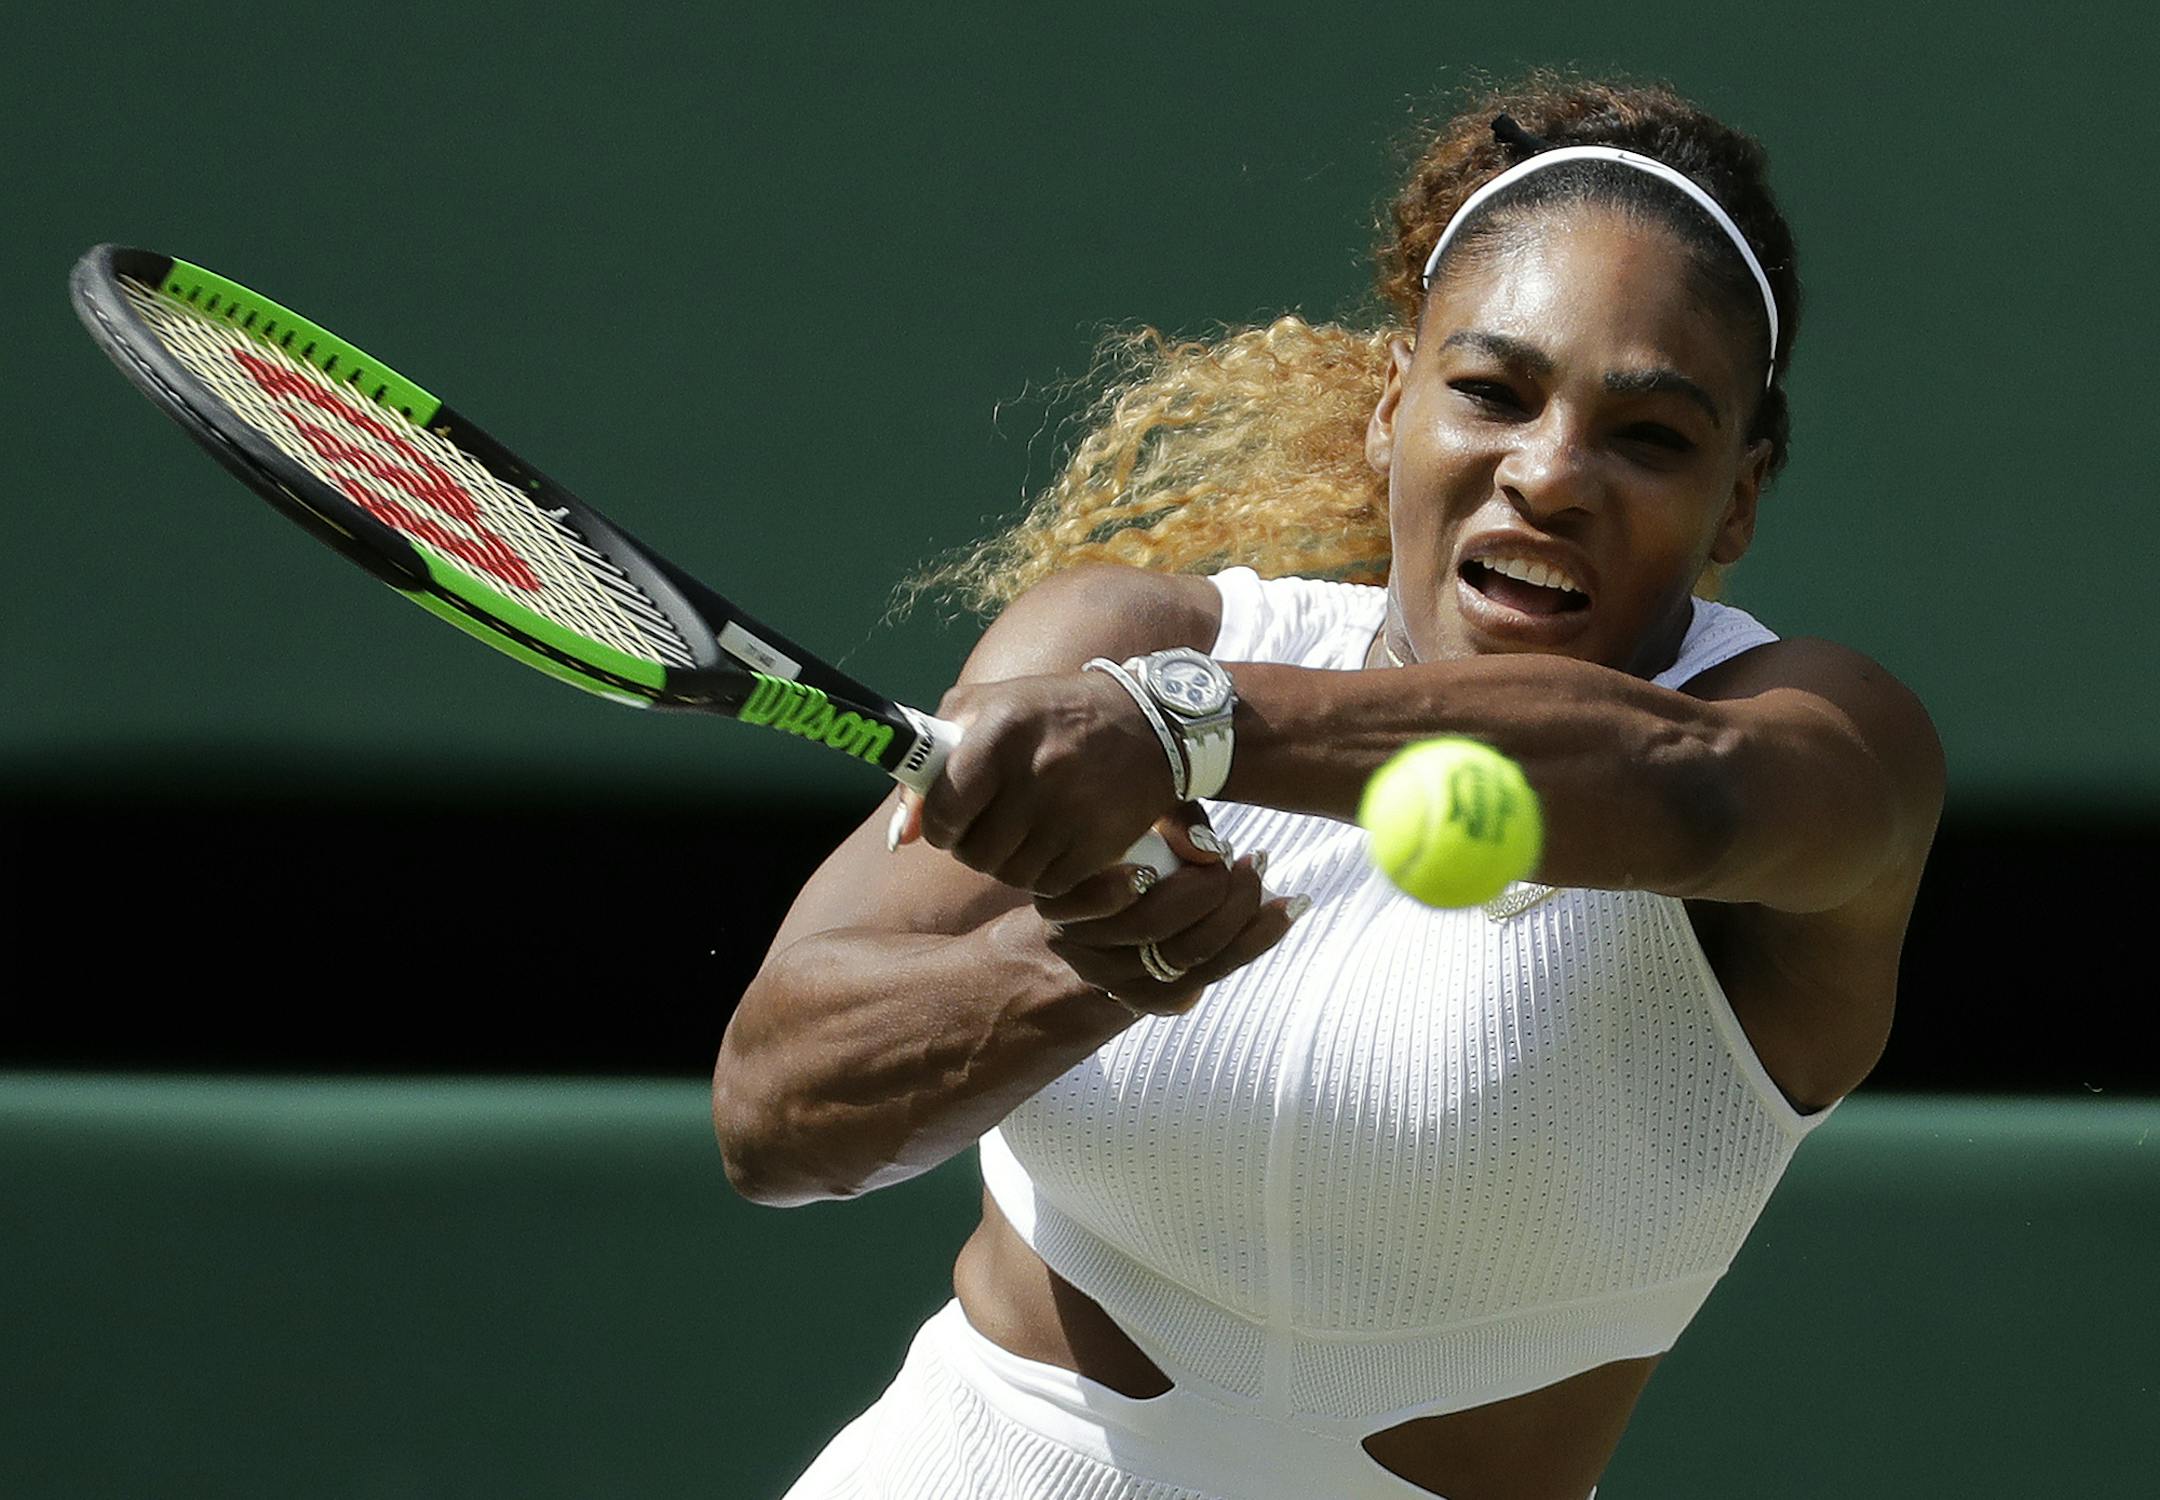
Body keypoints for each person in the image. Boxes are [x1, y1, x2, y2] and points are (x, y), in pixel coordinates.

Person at [714, 72, 1944, 1500]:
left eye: (1650, 436)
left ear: (1740, 494)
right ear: (1389, 406)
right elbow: (774, 1114)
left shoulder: (1823, 744)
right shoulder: (1120, 639)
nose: (1549, 475)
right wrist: (1082, 967)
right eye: (1491, 389)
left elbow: (1679, 779)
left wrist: (1181, 728)